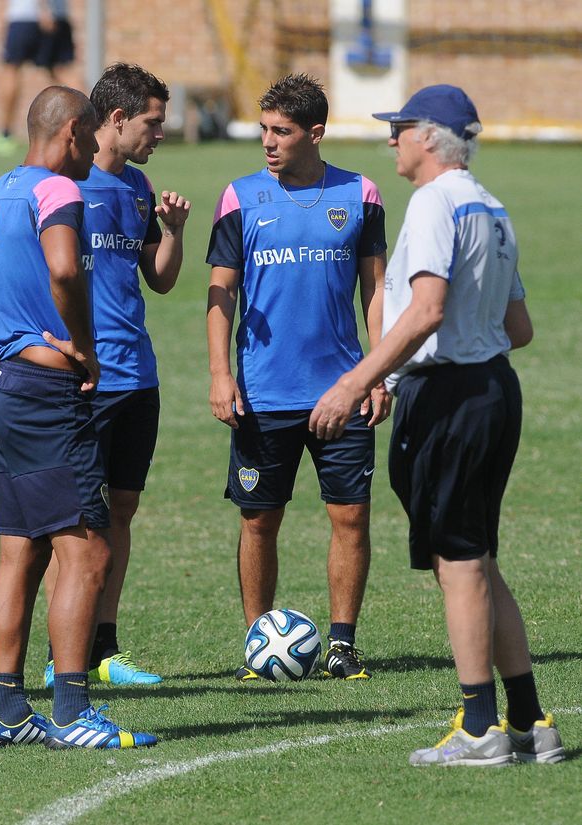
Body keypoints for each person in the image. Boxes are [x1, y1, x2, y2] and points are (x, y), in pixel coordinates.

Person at [309, 84, 565, 764]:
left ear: (429, 137)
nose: (391, 139)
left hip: (450, 395)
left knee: (459, 561)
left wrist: (357, 381)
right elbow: (519, 328)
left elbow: (426, 310)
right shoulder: (492, 206)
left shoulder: (432, 202)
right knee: (477, 558)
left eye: (400, 128)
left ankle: (479, 727)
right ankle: (530, 720)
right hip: (494, 389)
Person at [0, 85, 156, 749]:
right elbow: (63, 268)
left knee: (21, 549)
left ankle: (8, 711)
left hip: (0, 386)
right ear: (74, 130)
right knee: (87, 549)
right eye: (90, 138)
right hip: (46, 393)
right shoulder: (57, 190)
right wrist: (82, 344)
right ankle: (74, 711)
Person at [206, 73, 390, 682]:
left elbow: (375, 290)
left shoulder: (361, 194)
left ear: (315, 133)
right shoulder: (239, 198)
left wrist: (378, 373)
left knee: (350, 517)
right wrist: (220, 374)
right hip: (263, 392)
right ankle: (258, 644)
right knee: (259, 520)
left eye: (281, 131)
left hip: (342, 391)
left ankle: (342, 645)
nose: (268, 141)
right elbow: (220, 295)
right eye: (263, 129)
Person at [43, 63, 191, 687]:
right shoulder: (63, 187)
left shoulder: (138, 186)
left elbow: (159, 279)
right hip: (84, 376)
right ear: (118, 118)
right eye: (152, 123)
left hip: (138, 375)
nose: (160, 133)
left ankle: (104, 647)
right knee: (75, 523)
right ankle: (61, 656)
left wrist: (173, 232)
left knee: (121, 510)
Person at [0, 0, 75, 156]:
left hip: (28, 17)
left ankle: (5, 135)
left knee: (11, 69)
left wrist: (44, 9)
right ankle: (92, 124)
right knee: (60, 71)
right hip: (55, 16)